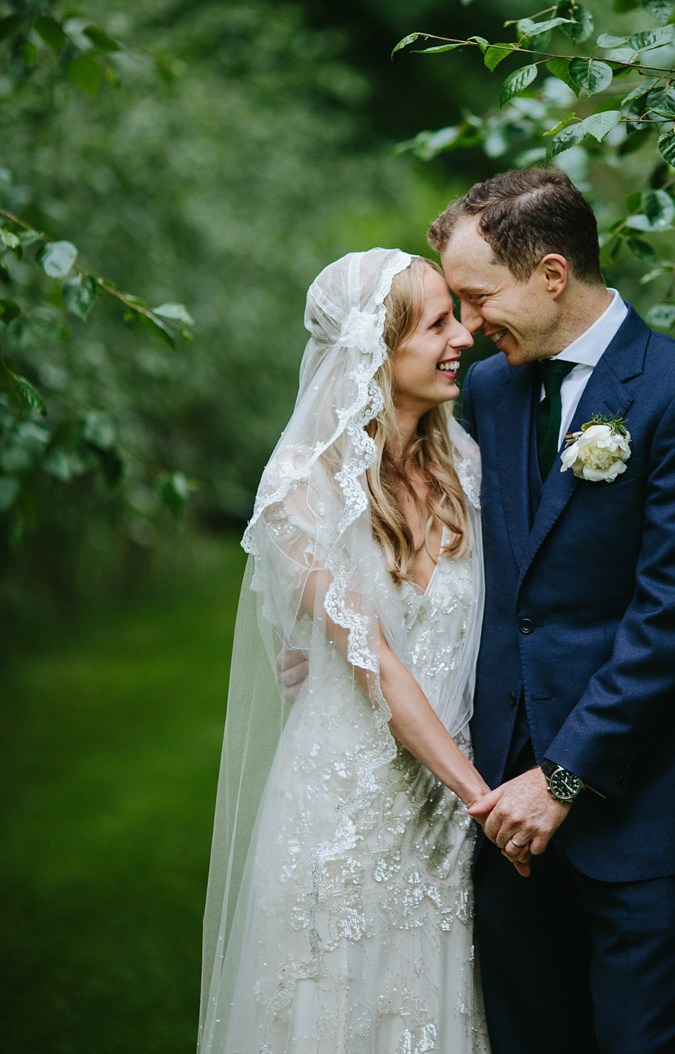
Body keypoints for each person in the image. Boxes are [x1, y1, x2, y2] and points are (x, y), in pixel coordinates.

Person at [426, 167, 675, 1054]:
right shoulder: (490, 393)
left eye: (476, 298)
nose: (465, 327)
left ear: (554, 275)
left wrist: (562, 777)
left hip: (640, 804)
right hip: (502, 807)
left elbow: (673, 617)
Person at [197, 248, 494, 1054]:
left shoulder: (467, 462)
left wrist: (472, 798)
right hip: (345, 809)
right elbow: (375, 659)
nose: (462, 336)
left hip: (445, 812)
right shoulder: (301, 485)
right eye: (436, 323)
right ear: (378, 347)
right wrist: (483, 800)